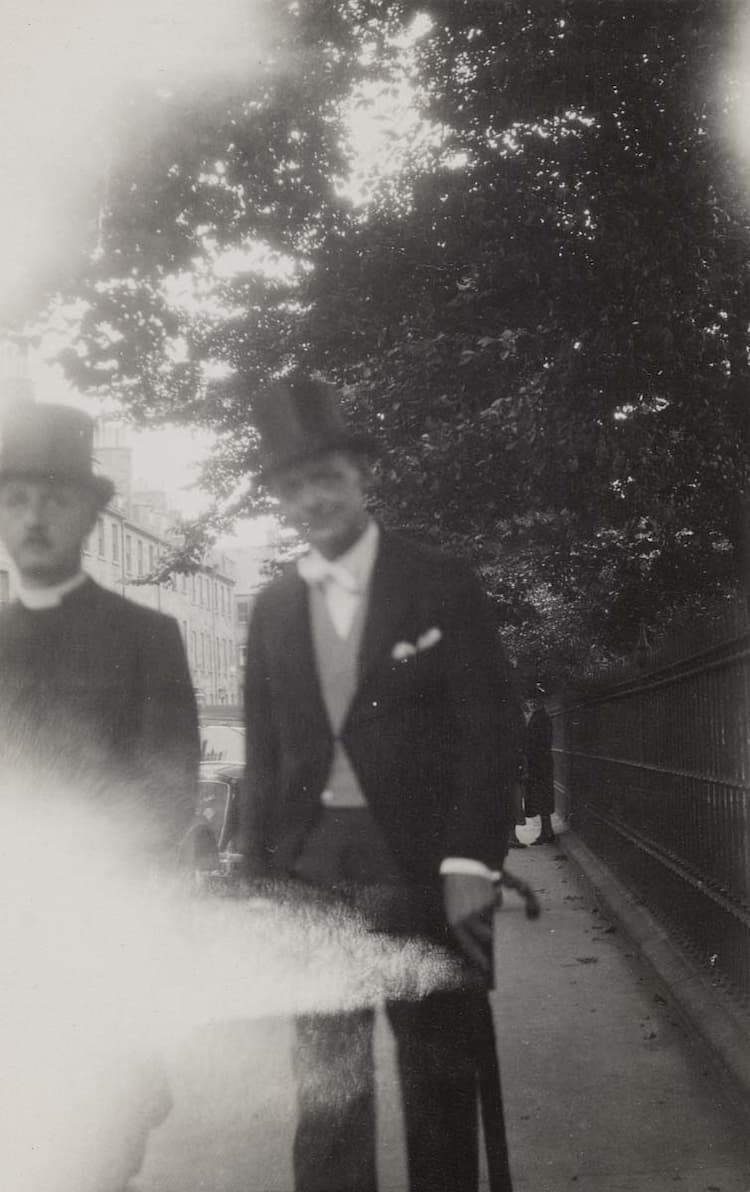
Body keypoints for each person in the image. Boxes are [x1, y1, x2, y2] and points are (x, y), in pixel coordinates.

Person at [241, 375, 523, 1192]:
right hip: (311, 882)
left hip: (424, 871)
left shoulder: (440, 583)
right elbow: (264, 758)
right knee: (328, 1100)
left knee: (439, 1085)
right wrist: (259, 882)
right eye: (293, 487)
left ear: (363, 476)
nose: (311, 499)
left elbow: (489, 730)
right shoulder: (271, 609)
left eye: (325, 477)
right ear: (280, 501)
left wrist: (473, 859)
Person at [0, 401, 201, 1192]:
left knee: (99, 1145)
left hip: (102, 939)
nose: (33, 517)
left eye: (54, 498)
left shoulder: (145, 639)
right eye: (15, 498)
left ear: (90, 511)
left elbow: (167, 791)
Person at [523, 689, 556, 845]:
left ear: (540, 701)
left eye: (534, 700)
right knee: (542, 798)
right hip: (539, 762)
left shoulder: (541, 718)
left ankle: (547, 832)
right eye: (530, 701)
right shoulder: (538, 716)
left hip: (540, 763)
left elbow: (540, 743)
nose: (532, 703)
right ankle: (546, 831)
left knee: (542, 797)